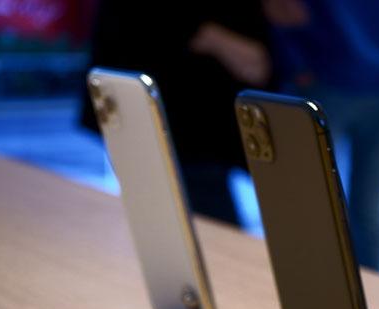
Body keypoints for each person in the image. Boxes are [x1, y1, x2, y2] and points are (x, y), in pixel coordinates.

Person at [266, 0, 379, 272]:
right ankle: (315, 287)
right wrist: (296, 65)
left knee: (369, 206)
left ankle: (370, 292)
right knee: (311, 202)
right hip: (324, 79)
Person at [82, 1, 274, 225]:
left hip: (193, 114)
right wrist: (216, 38)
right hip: (181, 114)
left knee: (181, 207)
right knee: (191, 207)